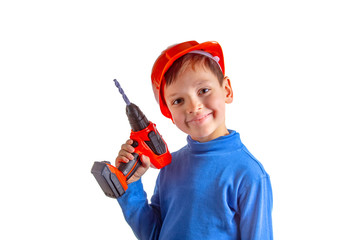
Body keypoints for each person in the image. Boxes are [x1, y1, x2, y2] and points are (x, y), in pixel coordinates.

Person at [116, 40, 273, 239]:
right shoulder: (170, 167)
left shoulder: (248, 174)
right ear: (170, 114)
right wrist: (131, 184)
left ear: (227, 90)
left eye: (203, 90)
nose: (193, 106)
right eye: (178, 100)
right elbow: (154, 235)